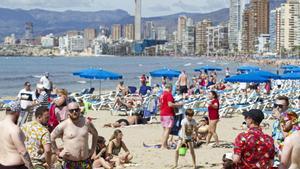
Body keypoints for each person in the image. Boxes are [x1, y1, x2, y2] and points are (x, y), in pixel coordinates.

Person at [50, 102, 98, 169]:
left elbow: (95, 134)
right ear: (68, 112)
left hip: (85, 161)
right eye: (71, 110)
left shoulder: (86, 122)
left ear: (80, 110)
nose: (74, 112)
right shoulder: (63, 125)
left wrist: (93, 149)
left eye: (76, 110)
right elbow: (51, 137)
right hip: (70, 162)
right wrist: (57, 152)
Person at [0, 101, 33, 169]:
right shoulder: (14, 129)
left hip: (2, 164)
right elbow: (22, 151)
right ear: (17, 112)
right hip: (15, 166)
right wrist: (30, 167)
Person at [159, 83, 183, 149]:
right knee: (167, 130)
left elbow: (160, 104)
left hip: (162, 113)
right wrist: (179, 105)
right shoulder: (169, 94)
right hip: (168, 113)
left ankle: (164, 144)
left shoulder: (162, 95)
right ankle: (163, 145)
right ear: (170, 88)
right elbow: (170, 104)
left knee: (164, 130)